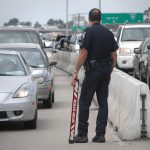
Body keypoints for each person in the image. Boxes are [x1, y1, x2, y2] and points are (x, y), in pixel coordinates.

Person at [71, 8, 118, 143]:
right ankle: (100, 135)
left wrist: (75, 71)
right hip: (105, 71)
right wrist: (109, 70)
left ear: (89, 19)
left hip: (93, 71)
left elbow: (84, 52)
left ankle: (82, 135)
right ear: (100, 19)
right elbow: (114, 55)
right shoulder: (109, 33)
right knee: (103, 103)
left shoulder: (88, 32)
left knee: (85, 102)